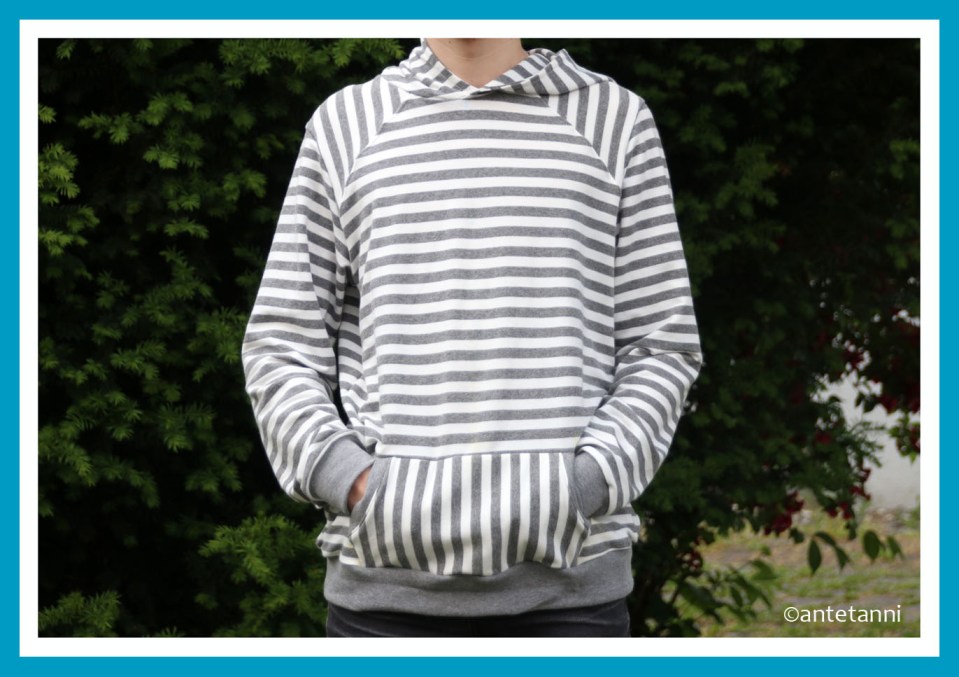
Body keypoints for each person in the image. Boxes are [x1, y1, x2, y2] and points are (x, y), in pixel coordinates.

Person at [241, 37, 703, 637]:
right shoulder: (345, 125)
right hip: (381, 602)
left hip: (572, 600)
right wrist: (357, 484)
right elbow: (280, 346)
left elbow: (660, 346)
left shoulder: (614, 120)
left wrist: (578, 489)